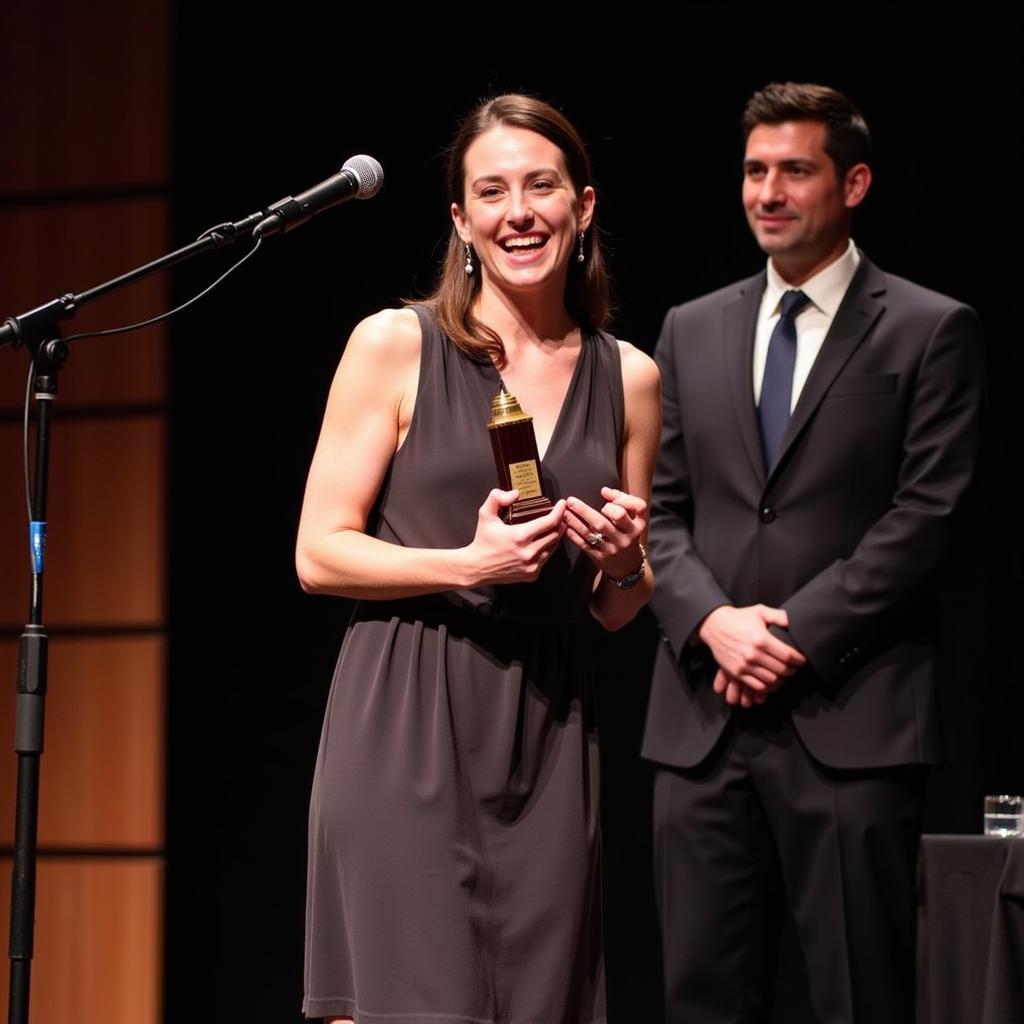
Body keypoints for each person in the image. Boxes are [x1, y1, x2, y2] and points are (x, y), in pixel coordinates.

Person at [296, 94, 660, 1024]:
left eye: (540, 187)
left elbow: (619, 608)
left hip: (546, 731)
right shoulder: (394, 344)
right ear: (461, 222)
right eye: (490, 192)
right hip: (406, 714)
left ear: (583, 207)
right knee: (406, 999)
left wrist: (624, 564)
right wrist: (468, 562)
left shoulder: (631, 376)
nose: (518, 212)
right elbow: (319, 553)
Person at [644, 82, 983, 1023]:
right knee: (701, 997)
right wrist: (714, 622)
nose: (769, 192)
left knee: (859, 996)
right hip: (700, 725)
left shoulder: (928, 328)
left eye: (795, 169)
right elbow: (660, 515)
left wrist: (789, 632)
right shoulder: (691, 326)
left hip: (851, 715)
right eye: (755, 171)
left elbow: (926, 516)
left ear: (855, 182)